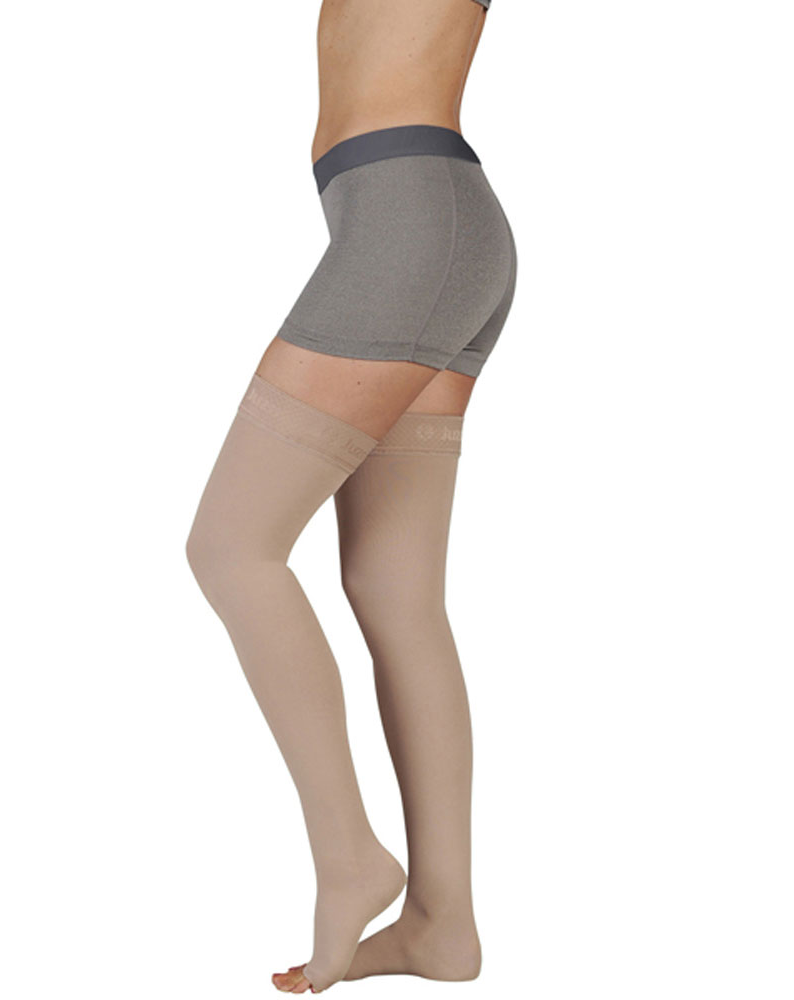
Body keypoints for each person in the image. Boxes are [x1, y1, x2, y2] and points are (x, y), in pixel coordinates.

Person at [186, 0, 515, 992]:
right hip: (421, 220)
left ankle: (349, 857)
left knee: (232, 549)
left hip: (405, 226)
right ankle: (441, 925)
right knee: (393, 588)